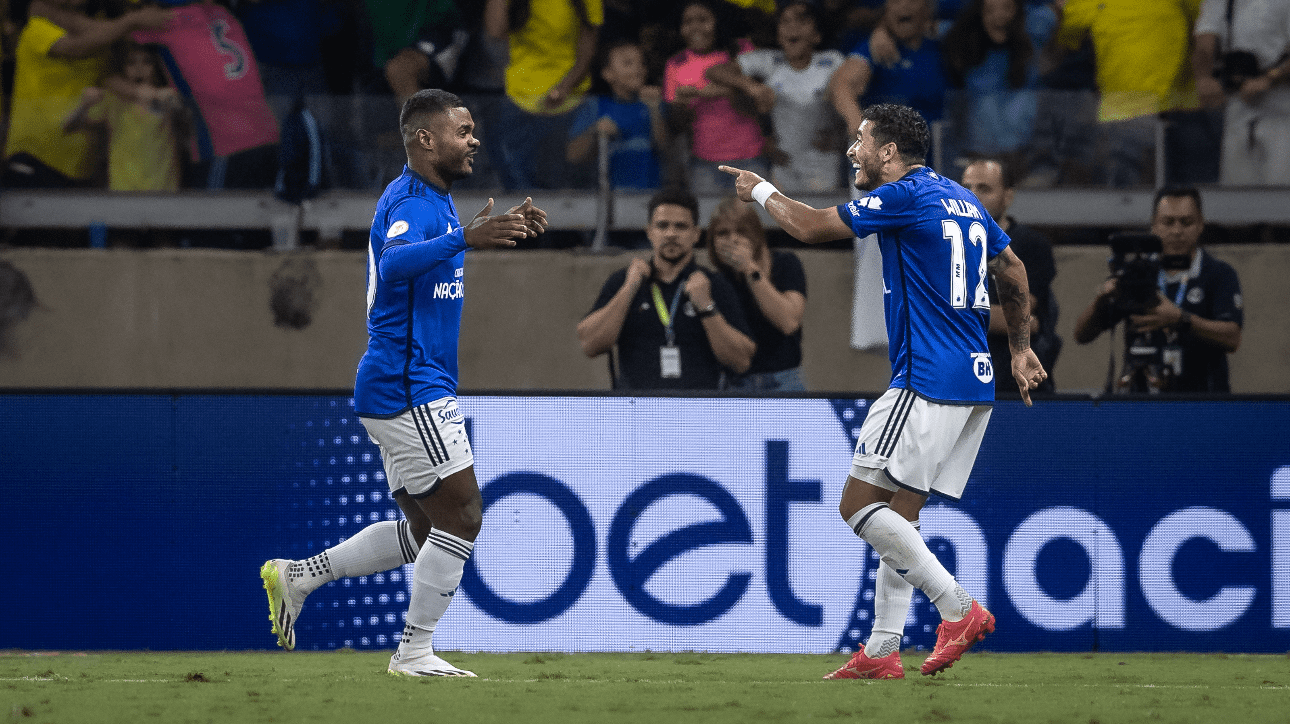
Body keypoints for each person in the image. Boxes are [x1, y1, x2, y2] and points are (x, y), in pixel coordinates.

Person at [720, 103, 1045, 679]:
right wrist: (1018, 349)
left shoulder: (904, 196)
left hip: (924, 380)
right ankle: (882, 648)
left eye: (861, 141)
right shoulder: (961, 198)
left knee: (858, 505)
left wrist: (761, 190)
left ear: (889, 152)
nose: (853, 152)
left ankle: (958, 609)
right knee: (902, 518)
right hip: (974, 383)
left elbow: (810, 226)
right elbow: (1013, 270)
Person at [261, 89, 548, 676]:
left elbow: (418, 265)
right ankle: (414, 651)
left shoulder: (436, 202)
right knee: (463, 515)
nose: (473, 141)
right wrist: (466, 238)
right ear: (424, 138)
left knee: (424, 530)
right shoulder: (413, 202)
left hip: (402, 385)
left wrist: (479, 232)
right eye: (461, 131)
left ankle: (299, 576)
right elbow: (393, 266)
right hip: (410, 386)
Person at [577, 187, 756, 390]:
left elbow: (742, 361)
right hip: (635, 411)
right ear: (649, 232)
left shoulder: (714, 284)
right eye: (662, 226)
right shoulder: (624, 281)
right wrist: (629, 289)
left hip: (698, 412)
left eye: (681, 227)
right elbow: (590, 345)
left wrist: (706, 307)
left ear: (695, 234)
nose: (671, 234)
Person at [1073, 186, 1243, 393]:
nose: (1177, 231)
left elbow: (1232, 338)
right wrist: (1102, 299)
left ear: (1200, 225)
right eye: (1168, 222)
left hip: (1203, 401)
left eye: (1186, 222)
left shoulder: (1218, 273)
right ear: (1154, 225)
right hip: (1142, 402)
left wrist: (1180, 319)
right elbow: (1082, 335)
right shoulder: (1136, 272)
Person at [2, 0, 171, 188]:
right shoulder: (38, 27)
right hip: (35, 156)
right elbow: (76, 47)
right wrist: (132, 20)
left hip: (80, 168)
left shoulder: (101, 29)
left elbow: (107, 72)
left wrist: (147, 93)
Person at [705, 1, 846, 194]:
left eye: (801, 21)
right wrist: (752, 86)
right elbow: (714, 72)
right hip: (782, 165)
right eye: (785, 21)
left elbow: (855, 101)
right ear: (778, 33)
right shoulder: (769, 61)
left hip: (823, 164)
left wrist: (841, 137)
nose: (792, 27)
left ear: (817, 34)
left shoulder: (833, 61)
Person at [961, 156, 1060, 394]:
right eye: (966, 189)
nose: (972, 196)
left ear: (1008, 196)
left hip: (1016, 389)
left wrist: (951, 310)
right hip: (962, 385)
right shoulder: (946, 245)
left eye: (984, 189)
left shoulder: (1030, 245)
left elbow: (1017, 318)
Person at [484, 0, 602, 190]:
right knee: (516, 185)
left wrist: (565, 87)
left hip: (570, 101)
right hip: (519, 98)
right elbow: (495, 32)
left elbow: (588, 48)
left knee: (564, 183)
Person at [664, 0, 768, 195]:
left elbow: (758, 92)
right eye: (688, 21)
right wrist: (681, 106)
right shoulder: (675, 63)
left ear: (718, 22)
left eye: (703, 19)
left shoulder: (742, 49)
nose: (695, 27)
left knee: (754, 223)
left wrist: (697, 93)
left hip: (751, 156)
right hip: (703, 160)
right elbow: (676, 120)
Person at [706, 195, 808, 391]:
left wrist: (750, 269)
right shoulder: (715, 281)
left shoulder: (786, 264)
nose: (732, 239)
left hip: (784, 381)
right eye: (722, 233)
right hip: (735, 384)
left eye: (741, 231)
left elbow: (788, 322)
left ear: (756, 234)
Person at [939, 0, 1057, 167]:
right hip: (979, 150)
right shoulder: (961, 39)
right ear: (979, 12)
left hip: (1025, 153)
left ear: (1018, 11)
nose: (999, 16)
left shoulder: (1034, 33)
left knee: (1022, 101)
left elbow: (1059, 11)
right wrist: (885, 30)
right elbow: (927, 27)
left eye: (1006, 8)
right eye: (990, 10)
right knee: (986, 105)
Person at [62, 41, 186, 193]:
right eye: (131, 63)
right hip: (123, 188)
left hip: (162, 188)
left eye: (147, 62)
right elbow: (68, 127)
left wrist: (159, 97)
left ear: (156, 66)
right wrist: (84, 105)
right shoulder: (112, 99)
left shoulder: (166, 95)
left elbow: (180, 107)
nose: (139, 69)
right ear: (122, 67)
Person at [1192, 0, 1290, 185]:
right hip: (1237, 111)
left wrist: (1269, 78)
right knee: (1236, 196)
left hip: (1282, 114)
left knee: (1281, 195)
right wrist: (1204, 77)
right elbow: (1205, 39)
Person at [828, 0, 946, 147]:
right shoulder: (874, 48)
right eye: (895, 1)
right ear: (886, 9)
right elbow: (841, 85)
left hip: (933, 159)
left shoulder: (941, 47)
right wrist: (861, 130)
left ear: (927, 9)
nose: (904, 5)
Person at [566, 38, 669, 190]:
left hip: (649, 193)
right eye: (628, 63)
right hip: (607, 196)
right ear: (608, 74)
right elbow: (573, 156)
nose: (638, 69)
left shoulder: (653, 103)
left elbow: (665, 150)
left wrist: (654, 109)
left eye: (642, 63)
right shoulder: (595, 106)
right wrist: (596, 130)